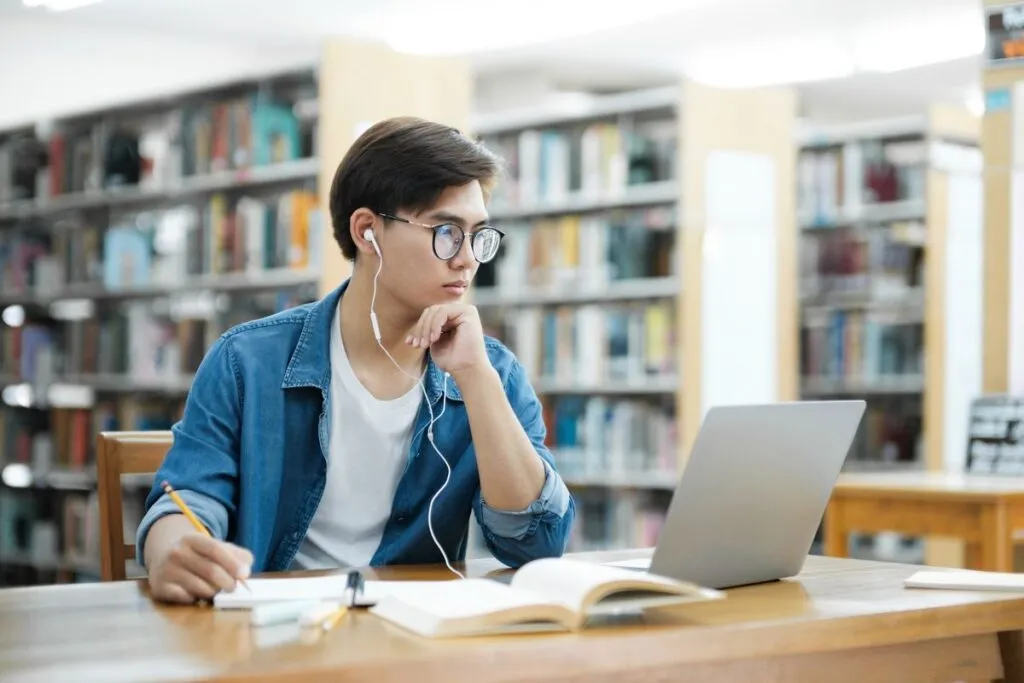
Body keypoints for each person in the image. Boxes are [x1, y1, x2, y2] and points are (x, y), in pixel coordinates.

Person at [137, 116, 575, 604]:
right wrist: (172, 549)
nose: (467, 259)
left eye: (479, 236)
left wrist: (476, 378)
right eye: (447, 231)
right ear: (368, 232)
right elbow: (188, 498)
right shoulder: (247, 361)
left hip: (411, 638)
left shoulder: (493, 372)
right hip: (271, 634)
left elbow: (537, 543)